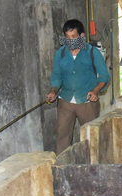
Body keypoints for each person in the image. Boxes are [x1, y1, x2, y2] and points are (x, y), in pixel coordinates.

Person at [46, 19, 110, 154]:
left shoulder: (92, 52)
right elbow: (57, 76)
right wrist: (53, 90)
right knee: (62, 136)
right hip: (66, 100)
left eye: (73, 37)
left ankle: (93, 166)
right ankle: (61, 166)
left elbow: (104, 76)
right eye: (67, 37)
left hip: (87, 102)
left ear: (81, 36)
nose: (70, 41)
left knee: (90, 137)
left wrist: (95, 91)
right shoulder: (61, 54)